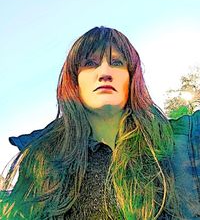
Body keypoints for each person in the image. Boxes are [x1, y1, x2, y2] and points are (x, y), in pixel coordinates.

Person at [0, 26, 199, 219]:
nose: (105, 72)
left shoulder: (183, 142)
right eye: (90, 63)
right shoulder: (41, 159)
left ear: (131, 77)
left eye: (117, 62)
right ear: (74, 81)